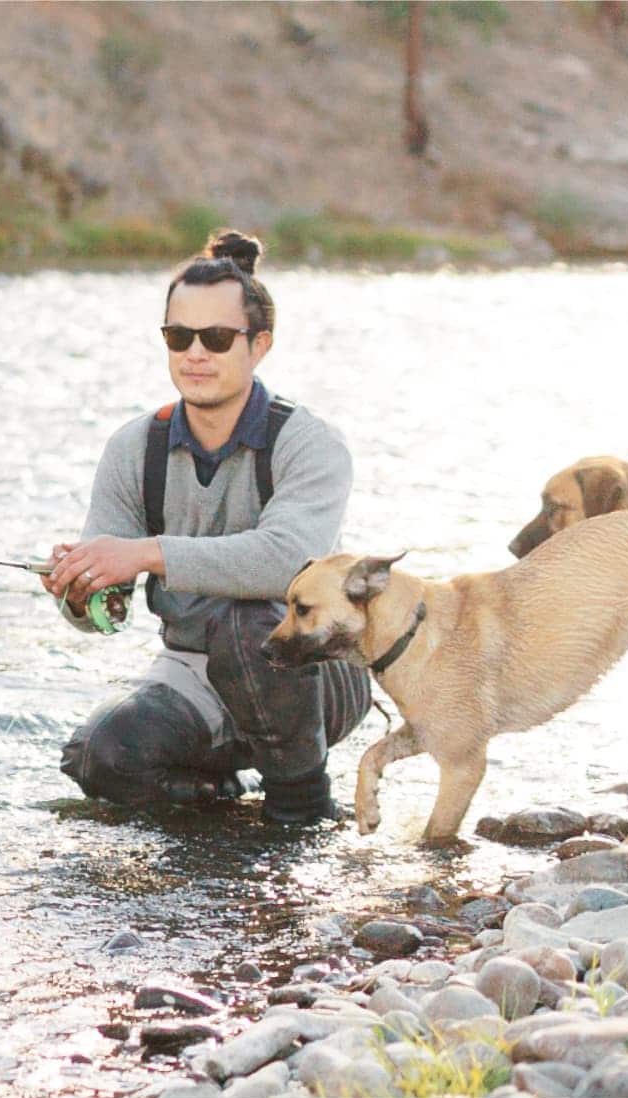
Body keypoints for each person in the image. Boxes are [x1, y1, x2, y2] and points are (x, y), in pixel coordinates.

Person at [43, 229, 371, 825]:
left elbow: (288, 560)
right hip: (192, 670)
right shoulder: (133, 448)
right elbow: (104, 614)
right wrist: (80, 590)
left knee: (248, 627)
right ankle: (223, 796)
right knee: (99, 757)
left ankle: (302, 803)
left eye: (217, 339)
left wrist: (145, 554)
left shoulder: (310, 443)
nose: (195, 353)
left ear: (259, 345)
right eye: (179, 336)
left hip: (309, 665)